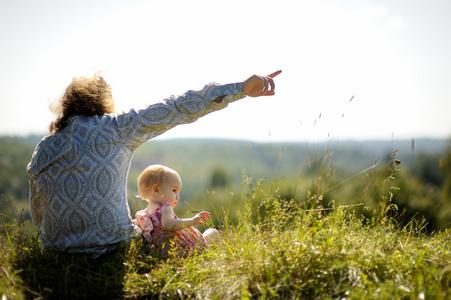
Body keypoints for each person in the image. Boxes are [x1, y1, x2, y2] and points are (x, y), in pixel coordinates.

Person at [27, 70, 281, 254]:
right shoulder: (116, 128)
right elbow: (177, 107)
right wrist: (240, 89)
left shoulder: (43, 150)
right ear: (103, 104)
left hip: (57, 253)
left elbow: (39, 218)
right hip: (116, 247)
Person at [134, 164, 218, 256]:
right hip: (179, 251)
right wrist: (192, 221)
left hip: (158, 254)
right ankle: (212, 253)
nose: (177, 196)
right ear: (156, 190)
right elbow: (169, 225)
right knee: (212, 233)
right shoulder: (165, 208)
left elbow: (133, 225)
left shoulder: (141, 215)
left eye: (178, 192)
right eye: (174, 190)